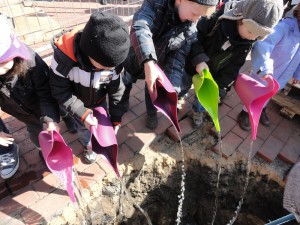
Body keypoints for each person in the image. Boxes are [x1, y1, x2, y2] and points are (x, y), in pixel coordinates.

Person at [179, 0, 283, 128]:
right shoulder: (217, 19)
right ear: (241, 19)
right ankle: (178, 96)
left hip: (215, 73)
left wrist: (222, 89)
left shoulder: (247, 42)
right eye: (251, 32)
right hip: (194, 62)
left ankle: (199, 111)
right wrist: (199, 59)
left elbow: (234, 66)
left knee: (206, 97)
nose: (253, 38)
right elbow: (195, 36)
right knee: (183, 83)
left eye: (258, 36)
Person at [120, 0, 219, 129]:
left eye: (200, 16)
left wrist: (172, 89)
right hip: (136, 55)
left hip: (156, 65)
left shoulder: (188, 26)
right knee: (128, 78)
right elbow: (140, 26)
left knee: (152, 89)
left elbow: (177, 58)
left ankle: (151, 113)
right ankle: (123, 97)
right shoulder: (156, 4)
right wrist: (149, 61)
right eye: (195, 13)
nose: (196, 19)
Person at [49, 11, 130, 163]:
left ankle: (98, 140)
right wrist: (82, 113)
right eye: (105, 66)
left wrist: (116, 118)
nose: (109, 69)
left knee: (100, 124)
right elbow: (60, 91)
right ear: (89, 52)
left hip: (98, 100)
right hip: (75, 102)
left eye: (112, 66)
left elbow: (117, 90)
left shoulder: (111, 64)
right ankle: (88, 145)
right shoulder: (63, 60)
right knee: (82, 128)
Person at [0, 17, 61, 177]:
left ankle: (64, 120)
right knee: (35, 132)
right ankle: (44, 150)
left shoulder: (31, 61)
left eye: (2, 63)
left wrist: (50, 119)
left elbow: (46, 93)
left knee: (56, 116)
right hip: (22, 114)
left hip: (40, 104)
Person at [238, 2, 300, 131]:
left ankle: (261, 107)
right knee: (255, 92)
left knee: (270, 93)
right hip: (265, 73)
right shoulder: (284, 27)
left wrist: (298, 73)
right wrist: (265, 69)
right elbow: (263, 45)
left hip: (282, 75)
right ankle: (245, 112)